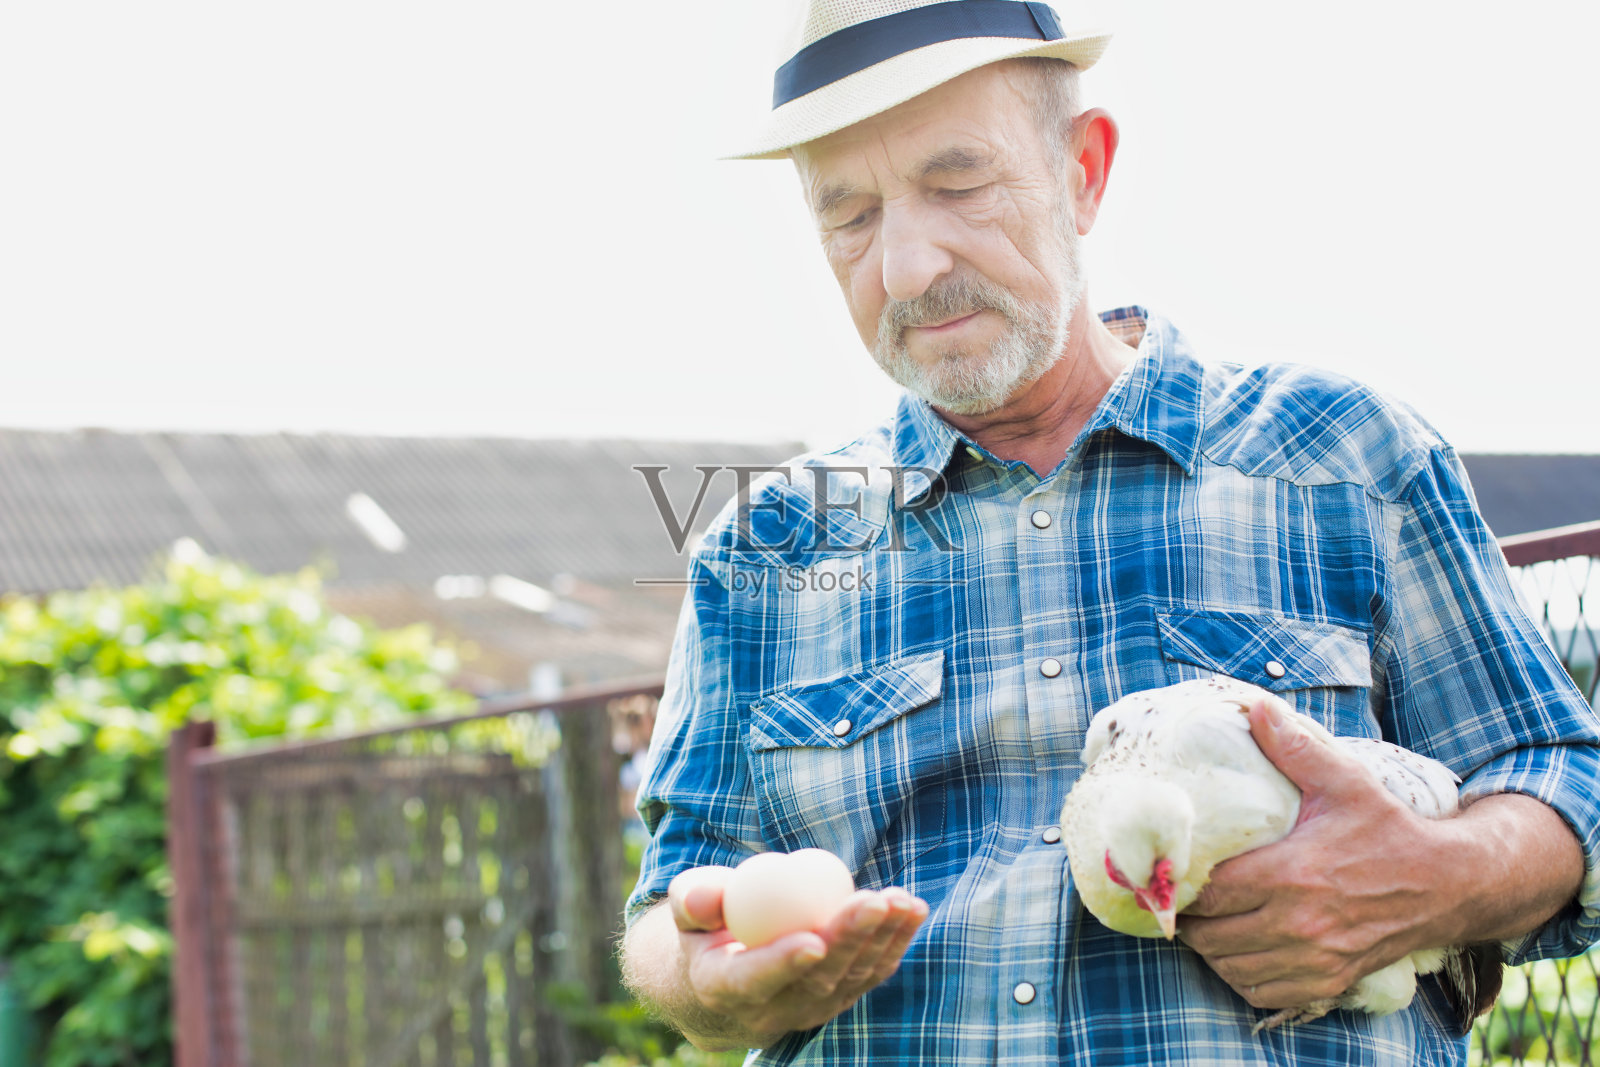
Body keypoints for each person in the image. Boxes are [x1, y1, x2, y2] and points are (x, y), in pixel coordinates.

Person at [619, 2, 1600, 1062]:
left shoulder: (1347, 452)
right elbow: (672, 915)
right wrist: (711, 976)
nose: (904, 266)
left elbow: (1565, 784)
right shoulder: (764, 549)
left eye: (958, 183)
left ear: (1082, 171)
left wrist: (1434, 874)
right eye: (848, 215)